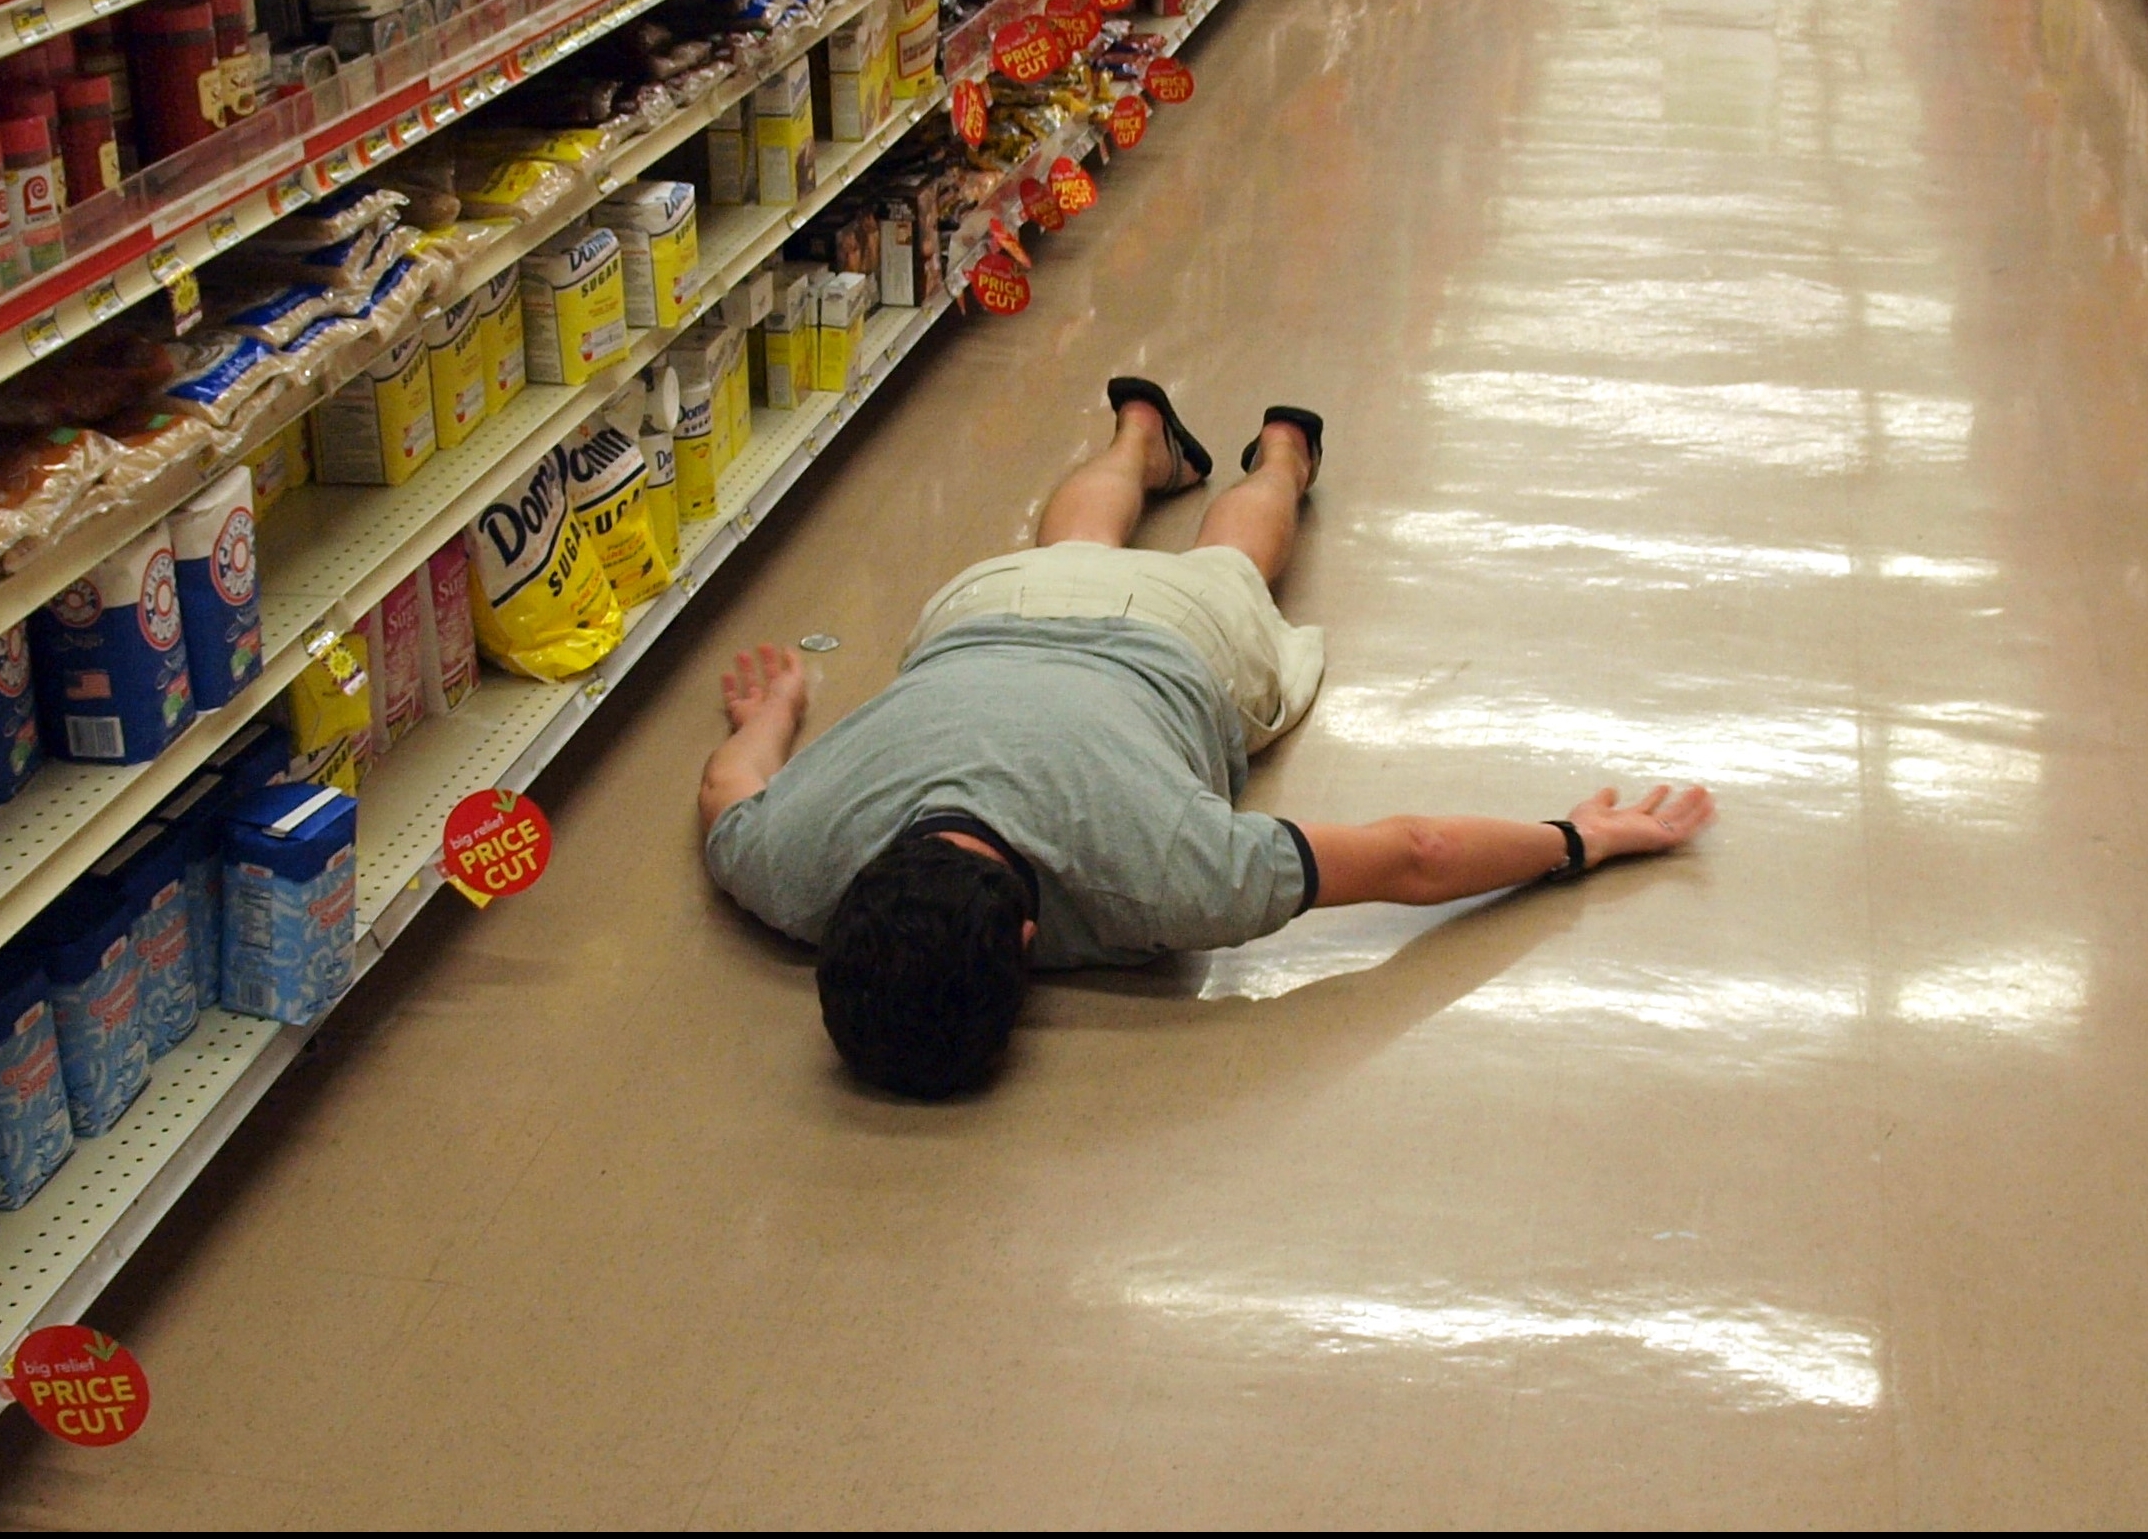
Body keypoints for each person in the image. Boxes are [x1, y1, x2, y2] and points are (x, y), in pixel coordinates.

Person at [699, 377, 1716, 1097]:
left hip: (1172, 642)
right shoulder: (790, 866)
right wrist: (774, 716)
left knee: (1232, 559)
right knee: (1076, 544)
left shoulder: (1169, 879)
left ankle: (1282, 452)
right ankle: (1140, 434)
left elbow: (1416, 853)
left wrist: (1579, 838)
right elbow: (728, 789)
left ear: (1025, 942)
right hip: (984, 610)